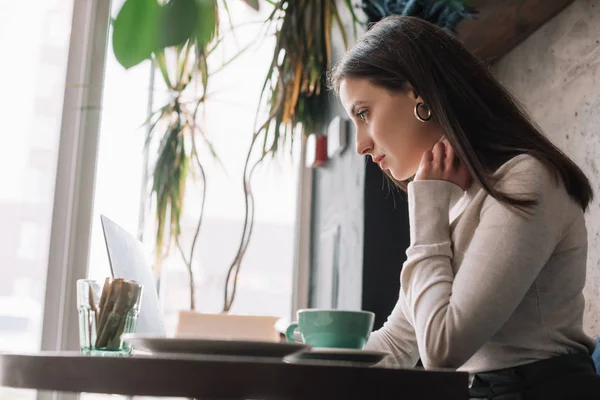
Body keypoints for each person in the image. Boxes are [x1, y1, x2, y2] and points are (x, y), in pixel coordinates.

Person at [327, 15, 600, 399]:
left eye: (363, 113)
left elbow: (441, 349)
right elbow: (399, 341)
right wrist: (304, 372)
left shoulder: (524, 181)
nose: (361, 146)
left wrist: (427, 212)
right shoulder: (456, 199)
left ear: (418, 94)